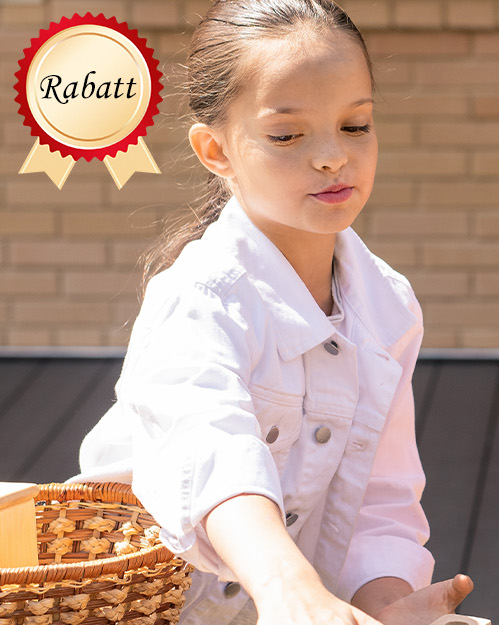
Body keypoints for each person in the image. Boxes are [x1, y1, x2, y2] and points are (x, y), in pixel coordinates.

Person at [72, 1, 471, 623]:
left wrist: (392, 603)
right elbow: (211, 449)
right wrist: (288, 586)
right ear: (215, 150)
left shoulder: (388, 307)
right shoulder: (199, 297)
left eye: (356, 125)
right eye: (288, 135)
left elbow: (378, 500)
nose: (332, 156)